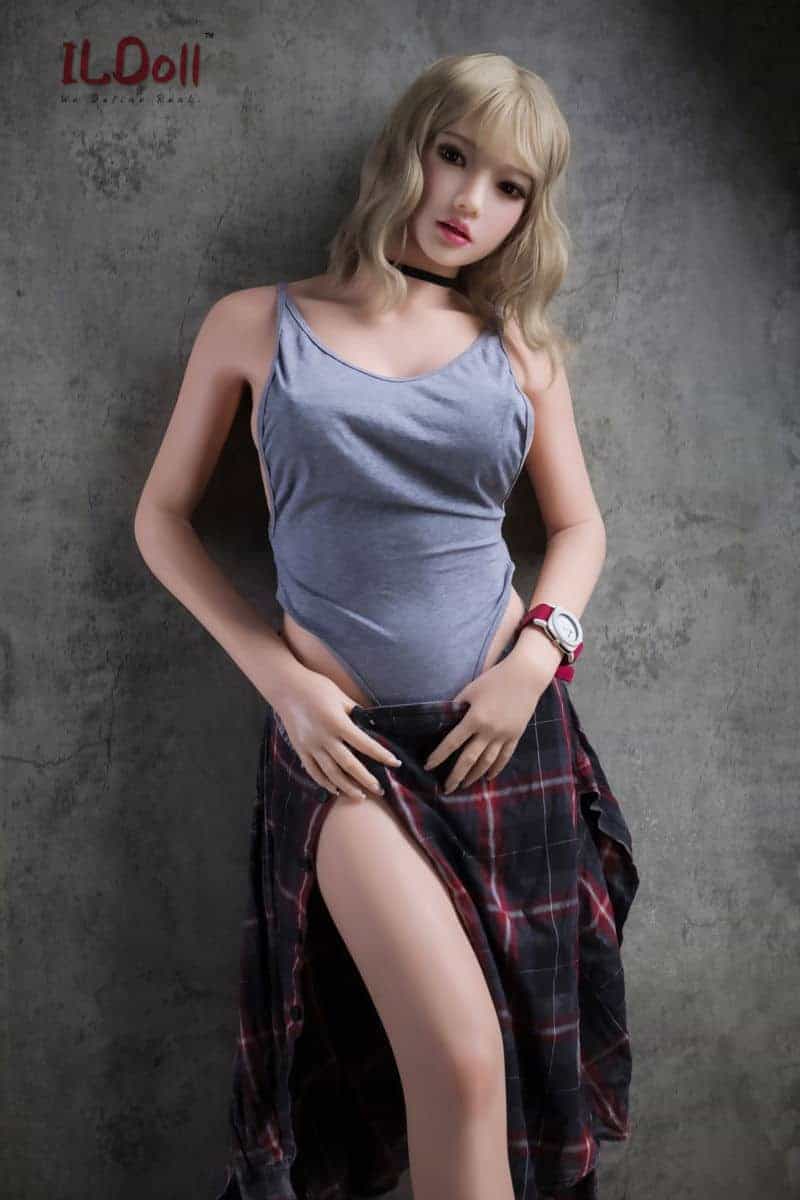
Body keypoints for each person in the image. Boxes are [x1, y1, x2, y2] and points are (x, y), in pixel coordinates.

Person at [134, 51, 640, 1200]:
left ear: (528, 212)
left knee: (516, 1078)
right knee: (460, 1066)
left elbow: (579, 528)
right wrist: (282, 683)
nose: (468, 201)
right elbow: (160, 520)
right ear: (404, 150)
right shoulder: (255, 322)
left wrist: (533, 661)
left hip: (504, 737)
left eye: (508, 186)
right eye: (453, 156)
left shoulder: (517, 347)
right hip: (344, 749)